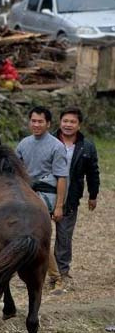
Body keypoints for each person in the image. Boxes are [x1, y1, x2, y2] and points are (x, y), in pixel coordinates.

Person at [16, 106, 68, 292]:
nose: (36, 124)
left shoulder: (57, 146)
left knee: (39, 236)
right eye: (33, 121)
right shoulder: (23, 144)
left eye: (40, 121)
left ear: (48, 124)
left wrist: (59, 206)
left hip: (47, 195)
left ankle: (56, 277)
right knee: (23, 235)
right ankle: (33, 276)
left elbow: (62, 178)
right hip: (27, 193)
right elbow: (16, 170)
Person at [53, 107, 99, 290]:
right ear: (59, 122)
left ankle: (62, 272)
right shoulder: (49, 142)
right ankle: (43, 271)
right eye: (65, 121)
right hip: (47, 195)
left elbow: (93, 172)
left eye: (72, 122)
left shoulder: (87, 147)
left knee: (64, 237)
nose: (68, 125)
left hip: (70, 198)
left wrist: (93, 195)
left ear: (79, 125)